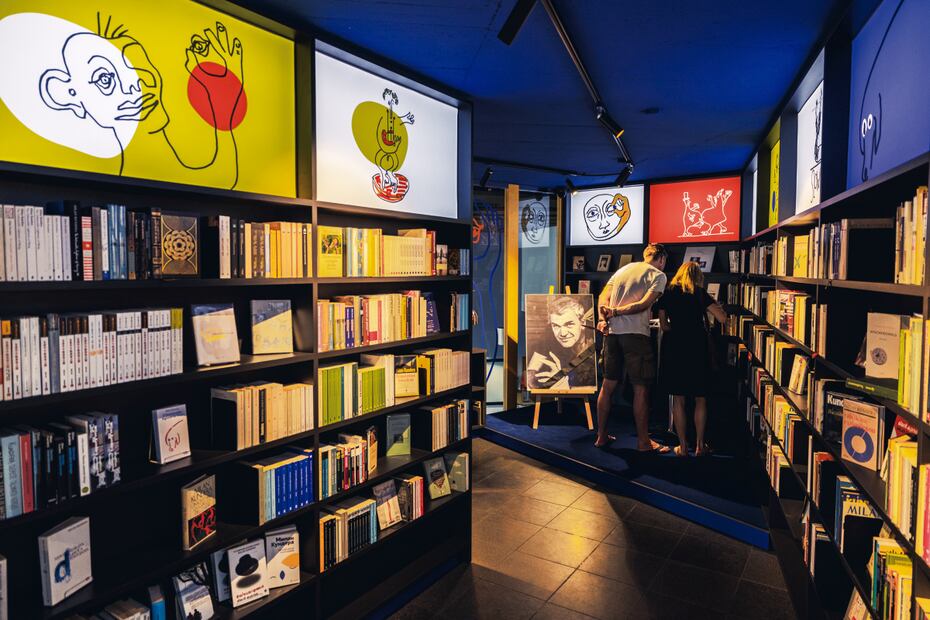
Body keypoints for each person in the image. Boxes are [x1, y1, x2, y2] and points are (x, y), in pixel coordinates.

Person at [595, 243, 668, 450]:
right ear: (661, 259)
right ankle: (644, 441)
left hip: (612, 334)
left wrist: (604, 318)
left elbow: (603, 298)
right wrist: (616, 312)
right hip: (636, 335)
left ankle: (601, 437)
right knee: (640, 388)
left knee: (607, 386)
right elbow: (644, 304)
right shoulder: (658, 275)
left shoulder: (622, 270)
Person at [656, 261, 727, 456]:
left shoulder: (668, 293)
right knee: (700, 398)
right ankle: (700, 446)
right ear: (697, 276)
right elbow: (721, 318)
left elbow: (664, 326)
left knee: (678, 399)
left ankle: (682, 446)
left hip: (674, 349)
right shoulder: (699, 293)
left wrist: (678, 330)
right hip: (697, 348)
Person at [527, 295, 597, 390]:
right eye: (556, 326)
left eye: (569, 324)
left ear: (582, 323)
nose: (562, 333)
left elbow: (595, 387)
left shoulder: (594, 341)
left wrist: (563, 386)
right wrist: (533, 379)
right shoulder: (549, 333)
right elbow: (531, 373)